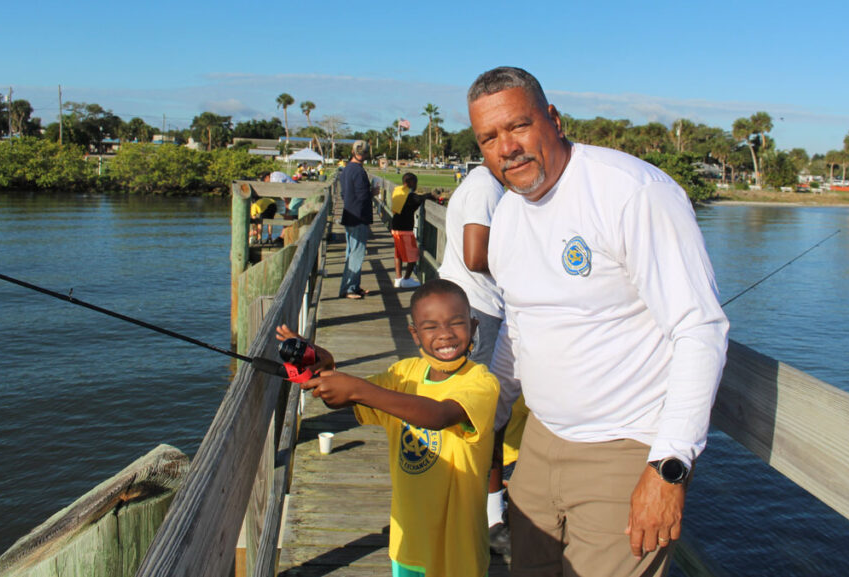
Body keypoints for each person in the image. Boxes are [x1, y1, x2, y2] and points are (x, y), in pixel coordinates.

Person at [468, 66, 729, 576]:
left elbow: (700, 329)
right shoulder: (509, 216)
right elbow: (518, 330)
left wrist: (668, 468)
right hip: (540, 441)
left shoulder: (631, 192)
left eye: (518, 126)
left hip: (625, 448)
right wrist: (488, 419)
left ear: (554, 120)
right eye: (489, 138)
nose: (507, 148)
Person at [277, 279, 500, 577]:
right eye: (430, 326)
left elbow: (439, 414)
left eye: (456, 323)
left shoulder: (482, 382)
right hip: (407, 543)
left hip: (458, 550)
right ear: (415, 334)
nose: (445, 334)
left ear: (473, 326)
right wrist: (325, 368)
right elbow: (345, 399)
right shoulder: (403, 374)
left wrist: (357, 388)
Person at [436, 164, 512, 545]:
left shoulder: (481, 184)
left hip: (468, 307)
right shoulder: (486, 188)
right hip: (479, 312)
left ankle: (473, 507)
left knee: (472, 415)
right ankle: (489, 518)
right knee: (485, 419)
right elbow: (475, 256)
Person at [338, 140, 379, 299]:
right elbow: (362, 196)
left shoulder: (346, 169)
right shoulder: (359, 171)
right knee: (357, 254)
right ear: (366, 154)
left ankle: (352, 287)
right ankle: (349, 289)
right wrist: (373, 193)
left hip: (348, 215)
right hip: (358, 217)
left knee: (351, 252)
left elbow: (343, 194)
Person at [390, 173, 438, 288]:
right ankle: (406, 279)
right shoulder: (410, 196)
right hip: (405, 230)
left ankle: (398, 278)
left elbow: (416, 199)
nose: (416, 185)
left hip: (395, 228)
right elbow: (419, 199)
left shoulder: (398, 192)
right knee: (413, 256)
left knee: (399, 254)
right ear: (410, 182)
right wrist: (430, 195)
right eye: (415, 182)